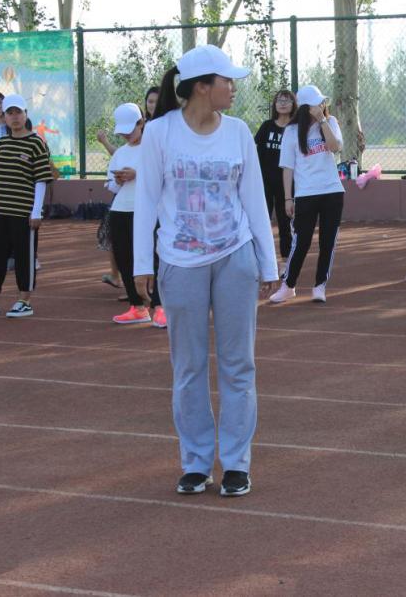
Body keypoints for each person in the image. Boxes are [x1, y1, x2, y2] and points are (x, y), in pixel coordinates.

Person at [133, 44, 278, 497]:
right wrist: (141, 264)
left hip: (235, 257)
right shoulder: (160, 133)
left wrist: (268, 261)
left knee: (239, 366)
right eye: (226, 81)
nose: (233, 88)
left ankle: (236, 463)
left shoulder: (238, 132)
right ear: (201, 87)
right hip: (179, 263)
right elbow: (145, 200)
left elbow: (254, 199)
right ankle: (196, 463)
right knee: (189, 368)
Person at [0, 94, 53, 318]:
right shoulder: (2, 144)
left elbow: (41, 179)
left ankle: (24, 301)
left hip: (24, 213)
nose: (14, 117)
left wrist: (36, 211)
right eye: (10, 113)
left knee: (24, 257)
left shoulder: (36, 143)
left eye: (18, 112)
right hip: (0, 211)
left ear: (26, 114)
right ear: (5, 117)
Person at [268, 85, 345, 304]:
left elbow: (335, 147)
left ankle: (320, 286)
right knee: (301, 242)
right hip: (306, 194)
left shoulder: (330, 122)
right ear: (305, 108)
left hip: (332, 191)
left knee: (328, 242)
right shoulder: (292, 131)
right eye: (316, 103)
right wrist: (288, 198)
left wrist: (322, 121)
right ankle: (288, 286)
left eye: (322, 102)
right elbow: (287, 168)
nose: (321, 105)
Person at [105, 103, 165, 327]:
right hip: (120, 210)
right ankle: (137, 306)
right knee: (124, 258)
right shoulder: (120, 153)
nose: (126, 135)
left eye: (130, 129)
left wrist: (137, 174)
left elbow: (162, 177)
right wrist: (118, 180)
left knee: (155, 258)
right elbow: (111, 186)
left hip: (148, 211)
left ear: (141, 123)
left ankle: (160, 306)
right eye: (123, 131)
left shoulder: (153, 148)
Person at [254, 89, 295, 259]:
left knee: (285, 223)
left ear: (293, 104)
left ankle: (286, 260)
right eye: (279, 100)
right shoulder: (267, 126)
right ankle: (262, 258)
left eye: (287, 100)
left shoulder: (295, 129)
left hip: (286, 185)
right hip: (264, 183)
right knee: (262, 222)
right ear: (275, 105)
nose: (283, 104)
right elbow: (254, 151)